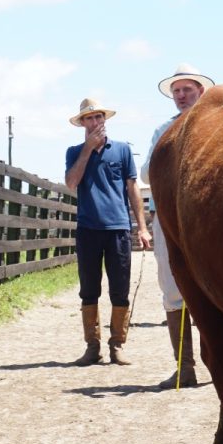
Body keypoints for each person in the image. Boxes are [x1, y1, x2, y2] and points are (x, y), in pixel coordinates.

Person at [140, 64, 214, 389]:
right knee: (171, 284)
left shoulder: (215, 127)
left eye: (187, 90)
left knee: (215, 281)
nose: (182, 96)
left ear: (201, 91)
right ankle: (185, 367)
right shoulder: (163, 131)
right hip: (168, 215)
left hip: (206, 213)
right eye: (177, 91)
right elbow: (145, 174)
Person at [64, 98, 151, 366]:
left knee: (120, 290)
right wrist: (87, 151)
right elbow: (71, 183)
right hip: (88, 229)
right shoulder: (74, 151)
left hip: (118, 229)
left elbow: (132, 189)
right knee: (89, 290)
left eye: (98, 117)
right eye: (88, 118)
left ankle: (117, 345)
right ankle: (92, 346)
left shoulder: (123, 151)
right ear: (82, 124)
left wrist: (143, 227)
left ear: (105, 120)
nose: (94, 122)